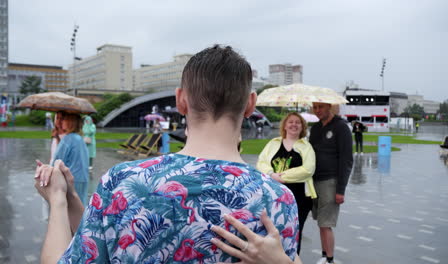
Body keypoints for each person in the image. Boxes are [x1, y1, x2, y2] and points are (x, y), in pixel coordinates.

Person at [34, 45, 299, 264]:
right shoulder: (279, 201)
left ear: (181, 100)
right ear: (251, 104)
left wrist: (58, 199)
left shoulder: (121, 182)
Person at [257, 112, 316, 254]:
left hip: (300, 197)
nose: (294, 125)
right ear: (285, 125)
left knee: (295, 232)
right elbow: (261, 163)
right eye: (291, 122)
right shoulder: (273, 143)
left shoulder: (306, 146)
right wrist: (272, 175)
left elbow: (308, 169)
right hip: (274, 196)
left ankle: (293, 259)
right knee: (273, 230)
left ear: (302, 127)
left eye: (298, 122)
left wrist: (282, 176)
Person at [308, 102, 353, 264]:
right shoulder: (315, 128)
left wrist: (341, 190)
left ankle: (330, 259)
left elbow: (347, 160)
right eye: (315, 107)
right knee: (321, 222)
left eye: (321, 107)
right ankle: (324, 255)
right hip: (314, 181)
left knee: (326, 223)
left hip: (330, 182)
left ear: (329, 107)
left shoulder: (341, 127)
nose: (318, 111)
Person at [38, 111, 89, 204]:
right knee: (80, 206)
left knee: (68, 209)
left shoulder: (68, 139)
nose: (61, 122)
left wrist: (44, 169)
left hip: (71, 180)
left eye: (64, 120)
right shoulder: (79, 138)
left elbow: (56, 162)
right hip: (83, 178)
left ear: (70, 122)